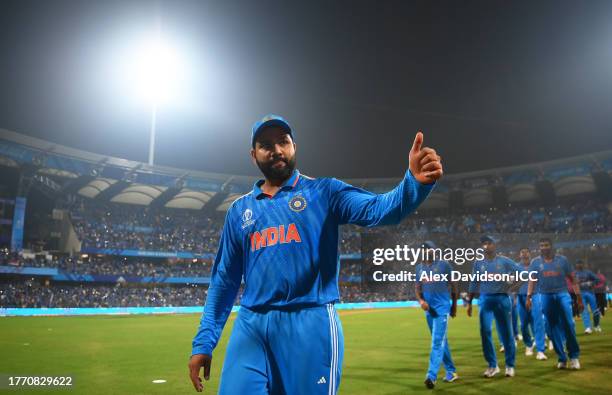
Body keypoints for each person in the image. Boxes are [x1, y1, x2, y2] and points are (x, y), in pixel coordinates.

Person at [188, 114, 443, 393]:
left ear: (294, 146)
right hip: (251, 325)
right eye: (266, 144)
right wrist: (204, 342)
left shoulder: (324, 191)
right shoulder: (240, 210)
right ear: (253, 155)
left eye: (283, 141)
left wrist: (413, 184)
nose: (276, 150)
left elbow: (379, 210)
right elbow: (224, 281)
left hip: (310, 322)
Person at [466, 235, 522, 378]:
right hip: (485, 300)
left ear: (495, 245)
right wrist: (469, 302)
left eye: (489, 243)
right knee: (485, 332)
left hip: (502, 299)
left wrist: (512, 288)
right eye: (484, 243)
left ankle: (510, 365)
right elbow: (474, 283)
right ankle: (492, 365)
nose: (486, 246)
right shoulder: (478, 263)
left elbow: (522, 274)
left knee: (507, 333)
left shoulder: (504, 261)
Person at [526, 238, 583, 370]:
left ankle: (574, 357)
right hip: (545, 296)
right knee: (551, 328)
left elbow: (573, 279)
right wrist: (528, 297)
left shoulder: (562, 260)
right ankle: (562, 357)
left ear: (551, 246)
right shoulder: (535, 262)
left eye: (546, 245)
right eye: (541, 245)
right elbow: (532, 281)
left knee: (568, 324)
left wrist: (578, 297)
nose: (543, 247)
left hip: (562, 294)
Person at [415, 241, 458, 389]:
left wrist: (454, 306)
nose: (427, 251)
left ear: (435, 251)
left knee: (436, 342)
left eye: (429, 249)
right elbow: (417, 287)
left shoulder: (444, 265)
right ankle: (451, 371)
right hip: (429, 311)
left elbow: (453, 285)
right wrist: (421, 301)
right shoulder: (419, 268)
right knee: (441, 341)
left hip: (442, 309)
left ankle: (431, 376)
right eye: (424, 249)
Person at [515, 247, 547, 360]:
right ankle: (528, 344)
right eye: (522, 252)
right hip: (520, 297)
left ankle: (540, 350)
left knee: (538, 322)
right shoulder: (516, 267)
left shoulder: (536, 265)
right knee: (523, 324)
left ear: (530, 253)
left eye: (526, 252)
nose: (524, 254)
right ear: (519, 255)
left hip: (535, 295)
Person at [574, 261, 601, 333]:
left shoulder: (588, 272)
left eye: (580, 264)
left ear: (583, 265)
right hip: (581, 294)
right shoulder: (574, 274)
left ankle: (596, 325)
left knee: (595, 310)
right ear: (576, 265)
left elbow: (598, 280)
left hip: (590, 293)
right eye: (578, 264)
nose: (579, 265)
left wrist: (591, 283)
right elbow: (572, 284)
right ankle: (588, 327)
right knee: (584, 310)